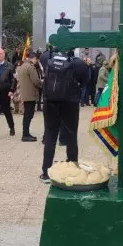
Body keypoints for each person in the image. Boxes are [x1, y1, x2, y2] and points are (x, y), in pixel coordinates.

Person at [40, 49, 88, 183]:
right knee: (71, 136)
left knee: (50, 136)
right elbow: (85, 82)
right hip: (70, 102)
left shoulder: (46, 57)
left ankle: (46, 172)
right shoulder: (78, 64)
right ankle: (72, 168)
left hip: (50, 101)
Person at [17, 53, 42, 142]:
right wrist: (42, 83)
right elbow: (36, 81)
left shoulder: (22, 66)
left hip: (25, 94)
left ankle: (26, 133)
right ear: (33, 58)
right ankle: (25, 134)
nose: (36, 61)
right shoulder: (30, 67)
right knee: (28, 115)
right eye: (36, 59)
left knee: (27, 115)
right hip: (31, 94)